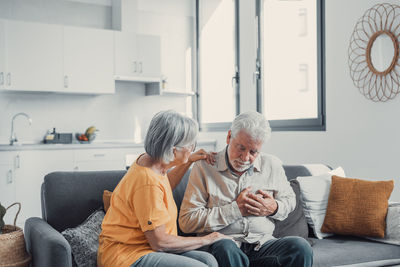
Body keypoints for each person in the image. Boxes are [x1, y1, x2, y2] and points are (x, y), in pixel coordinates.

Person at [179, 111, 313, 267]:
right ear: (229, 137)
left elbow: (289, 201)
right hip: (224, 245)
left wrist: (274, 207)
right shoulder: (205, 167)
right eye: (241, 148)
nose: (245, 158)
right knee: (225, 247)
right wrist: (236, 210)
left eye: (253, 152)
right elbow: (186, 222)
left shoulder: (272, 165)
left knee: (300, 247)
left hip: (262, 244)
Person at [98, 110, 231, 267]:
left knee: (208, 260)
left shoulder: (150, 161)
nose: (193, 148)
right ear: (173, 150)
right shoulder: (147, 181)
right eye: (190, 145)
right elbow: (159, 242)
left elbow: (163, 188)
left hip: (145, 247)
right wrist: (207, 238)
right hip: (127, 255)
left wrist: (188, 161)